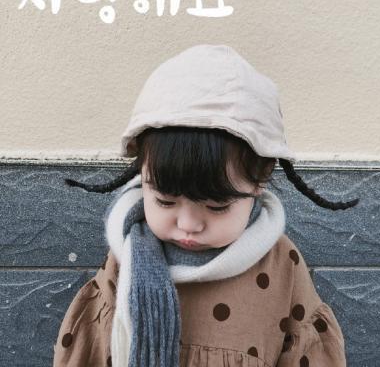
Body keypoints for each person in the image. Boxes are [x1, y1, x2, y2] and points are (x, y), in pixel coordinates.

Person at [53, 44, 359, 367]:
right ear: (142, 173)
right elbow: (93, 349)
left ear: (260, 179)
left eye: (215, 207)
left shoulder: (281, 264)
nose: (188, 224)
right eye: (165, 201)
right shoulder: (127, 254)